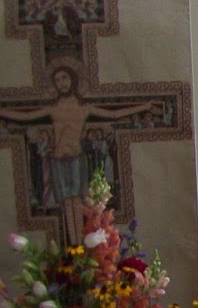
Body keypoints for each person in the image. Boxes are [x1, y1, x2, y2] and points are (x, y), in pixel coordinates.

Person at [0, 64, 160, 242]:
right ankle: (74, 245)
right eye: (57, 80)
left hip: (76, 158)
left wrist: (144, 106)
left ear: (73, 80)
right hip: (57, 159)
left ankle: (79, 244)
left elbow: (114, 114)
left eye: (65, 78)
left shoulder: (84, 108)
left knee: (77, 202)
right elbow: (26, 117)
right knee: (66, 203)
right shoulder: (53, 108)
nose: (61, 83)